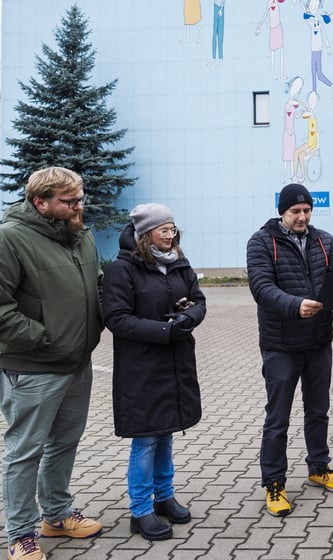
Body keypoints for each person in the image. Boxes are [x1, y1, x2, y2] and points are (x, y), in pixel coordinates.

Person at [0, 167, 104, 560]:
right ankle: (20, 534)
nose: (78, 206)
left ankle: (57, 516)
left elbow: (94, 287)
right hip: (31, 367)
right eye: (69, 201)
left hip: (76, 363)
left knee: (64, 443)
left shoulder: (81, 236)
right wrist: (45, 338)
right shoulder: (8, 239)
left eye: (80, 199)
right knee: (25, 452)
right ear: (39, 202)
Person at [246, 182, 333, 517]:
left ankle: (319, 467)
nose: (303, 217)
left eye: (307, 210)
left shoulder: (324, 240)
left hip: (319, 341)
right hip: (280, 345)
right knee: (278, 417)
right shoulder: (261, 242)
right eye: (295, 211)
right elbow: (261, 287)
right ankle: (274, 483)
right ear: (282, 212)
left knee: (318, 410)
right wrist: (295, 306)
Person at [102, 203, 207, 541]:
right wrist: (164, 331)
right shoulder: (122, 269)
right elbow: (116, 318)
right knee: (146, 438)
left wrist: (187, 318)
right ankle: (140, 511)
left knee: (166, 433)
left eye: (173, 229)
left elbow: (199, 300)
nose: (170, 235)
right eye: (164, 230)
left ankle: (164, 497)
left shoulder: (179, 264)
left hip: (175, 363)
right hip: (142, 367)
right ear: (145, 234)